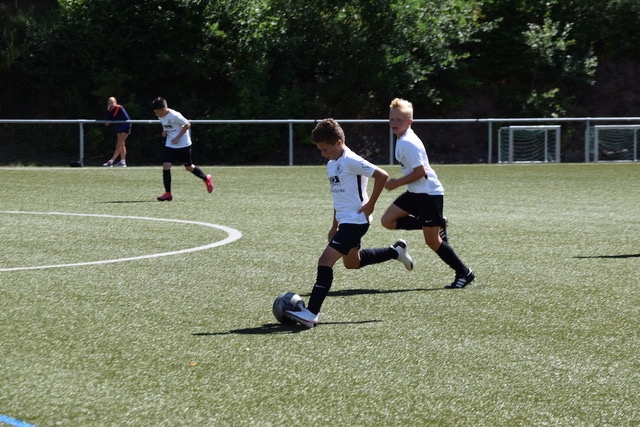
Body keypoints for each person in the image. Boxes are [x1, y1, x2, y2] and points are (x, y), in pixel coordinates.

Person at [285, 118, 413, 328]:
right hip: (345, 222)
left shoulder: (351, 160)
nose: (323, 154)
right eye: (320, 150)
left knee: (325, 261)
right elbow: (339, 198)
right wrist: (334, 225)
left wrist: (371, 204)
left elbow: (382, 175)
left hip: (356, 221)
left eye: (325, 149)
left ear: (338, 143)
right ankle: (395, 252)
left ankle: (311, 313)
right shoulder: (331, 164)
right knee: (353, 263)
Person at [381, 98, 474, 289]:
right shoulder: (402, 138)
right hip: (415, 192)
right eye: (391, 119)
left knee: (432, 241)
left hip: (428, 195)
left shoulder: (408, 142)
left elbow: (420, 172)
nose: (394, 123)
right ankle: (436, 223)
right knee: (387, 221)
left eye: (399, 120)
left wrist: (397, 183)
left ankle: (464, 273)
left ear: (409, 122)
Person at [151, 97, 214, 201]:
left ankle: (206, 178)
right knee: (166, 166)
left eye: (157, 112)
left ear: (163, 109)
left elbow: (187, 124)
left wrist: (178, 137)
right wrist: (164, 131)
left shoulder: (175, 115)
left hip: (183, 144)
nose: (156, 114)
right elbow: (166, 125)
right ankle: (168, 193)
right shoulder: (160, 116)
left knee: (189, 167)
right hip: (170, 145)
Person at [103, 97, 131, 167]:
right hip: (119, 127)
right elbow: (107, 121)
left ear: (115, 102)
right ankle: (123, 162)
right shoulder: (110, 110)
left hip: (125, 126)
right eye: (109, 103)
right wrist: (108, 111)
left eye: (112, 102)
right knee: (121, 144)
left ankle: (111, 161)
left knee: (118, 144)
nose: (111, 104)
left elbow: (112, 117)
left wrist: (109, 118)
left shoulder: (119, 108)